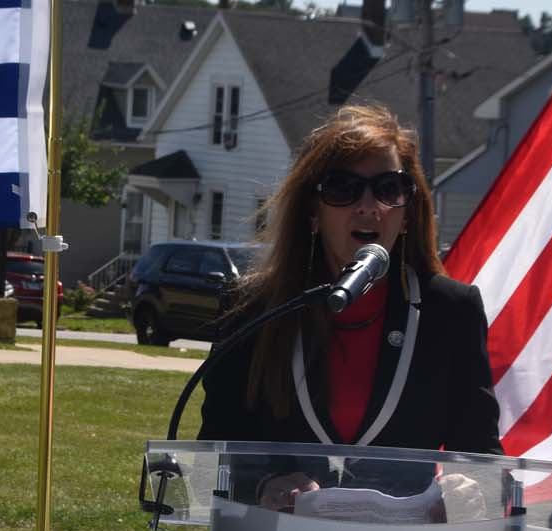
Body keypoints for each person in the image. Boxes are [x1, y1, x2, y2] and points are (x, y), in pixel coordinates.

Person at [198, 103, 500, 509]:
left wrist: (466, 491)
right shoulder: (252, 309)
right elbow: (213, 454)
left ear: (407, 213)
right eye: (342, 188)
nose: (368, 206)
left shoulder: (451, 310)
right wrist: (265, 484)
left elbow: (481, 456)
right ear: (312, 211)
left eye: (388, 188)